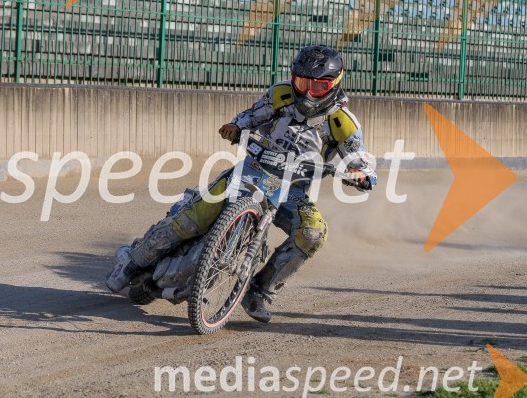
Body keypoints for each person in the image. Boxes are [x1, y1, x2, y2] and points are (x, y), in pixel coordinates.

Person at [106, 45, 378, 323]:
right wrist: (236, 126)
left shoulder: (343, 122)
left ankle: (259, 291)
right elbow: (251, 116)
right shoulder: (280, 94)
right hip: (253, 169)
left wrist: (363, 173)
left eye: (317, 86)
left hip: (291, 189)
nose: (307, 92)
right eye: (302, 82)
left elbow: (360, 157)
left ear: (334, 84)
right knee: (189, 221)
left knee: (312, 234)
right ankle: (132, 263)